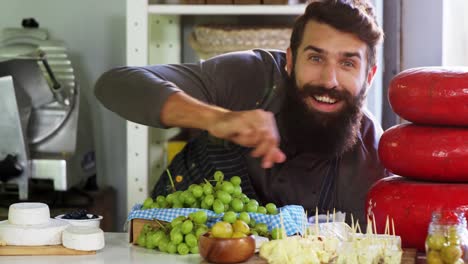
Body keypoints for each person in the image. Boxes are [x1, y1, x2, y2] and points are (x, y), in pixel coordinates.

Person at [95, 0, 388, 221]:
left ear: (369, 76)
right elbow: (115, 85)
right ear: (290, 60)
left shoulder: (374, 161)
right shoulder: (252, 78)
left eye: (348, 63)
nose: (328, 80)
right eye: (315, 58)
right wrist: (215, 118)